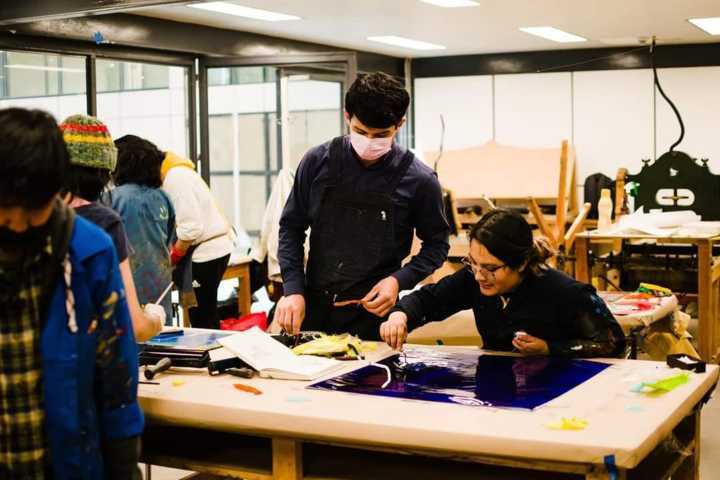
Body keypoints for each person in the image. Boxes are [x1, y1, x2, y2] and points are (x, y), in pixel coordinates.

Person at [0, 107, 143, 478]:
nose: (19, 222)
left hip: (66, 462)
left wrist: (124, 464)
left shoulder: (89, 250)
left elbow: (117, 372)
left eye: (34, 207)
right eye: (9, 207)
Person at [277, 72, 450, 340]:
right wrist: (293, 289)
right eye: (360, 132)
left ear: (400, 124)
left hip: (373, 315)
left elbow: (437, 246)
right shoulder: (316, 162)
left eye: (381, 135)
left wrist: (398, 280)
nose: (369, 141)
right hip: (312, 307)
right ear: (347, 116)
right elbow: (291, 227)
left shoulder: (420, 180)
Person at [380, 209, 626, 357]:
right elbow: (429, 300)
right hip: (498, 385)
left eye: (490, 268)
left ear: (521, 263)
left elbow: (612, 343)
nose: (479, 276)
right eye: (472, 263)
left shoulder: (564, 292)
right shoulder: (473, 279)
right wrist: (399, 316)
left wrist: (549, 348)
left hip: (556, 392)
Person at [59, 114, 164, 342]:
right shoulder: (103, 223)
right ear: (106, 171)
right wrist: (156, 319)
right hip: (85, 355)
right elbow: (135, 327)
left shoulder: (30, 218)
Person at [114, 135, 233, 330]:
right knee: (204, 314)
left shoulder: (174, 177)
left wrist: (173, 256)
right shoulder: (172, 176)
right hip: (210, 247)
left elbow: (191, 228)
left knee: (203, 317)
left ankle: (210, 349)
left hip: (205, 251)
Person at [110, 135, 176, 323]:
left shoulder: (115, 198)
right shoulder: (163, 197)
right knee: (160, 328)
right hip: (160, 280)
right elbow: (170, 238)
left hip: (128, 281)